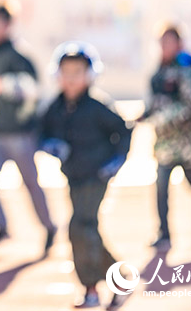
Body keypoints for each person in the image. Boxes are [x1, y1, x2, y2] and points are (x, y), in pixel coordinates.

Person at [39, 42, 131, 310]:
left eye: (77, 72)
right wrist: (50, 145)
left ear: (90, 75)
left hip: (97, 175)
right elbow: (41, 131)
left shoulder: (97, 106)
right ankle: (121, 278)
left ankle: (91, 288)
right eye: (65, 72)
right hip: (73, 176)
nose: (71, 78)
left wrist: (116, 161)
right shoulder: (56, 106)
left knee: (80, 227)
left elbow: (124, 131)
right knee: (86, 227)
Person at [0, 0, 56, 250]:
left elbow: (33, 90)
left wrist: (4, 86)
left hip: (21, 133)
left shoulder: (20, 54)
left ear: (8, 24)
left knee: (31, 183)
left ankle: (49, 227)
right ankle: (1, 226)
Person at [143, 26, 191, 249]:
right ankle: (164, 234)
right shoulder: (159, 73)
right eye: (162, 42)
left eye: (169, 42)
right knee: (161, 188)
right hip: (165, 145)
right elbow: (156, 104)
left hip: (188, 145)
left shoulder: (185, 71)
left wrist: (165, 117)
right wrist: (147, 115)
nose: (165, 47)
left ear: (179, 44)